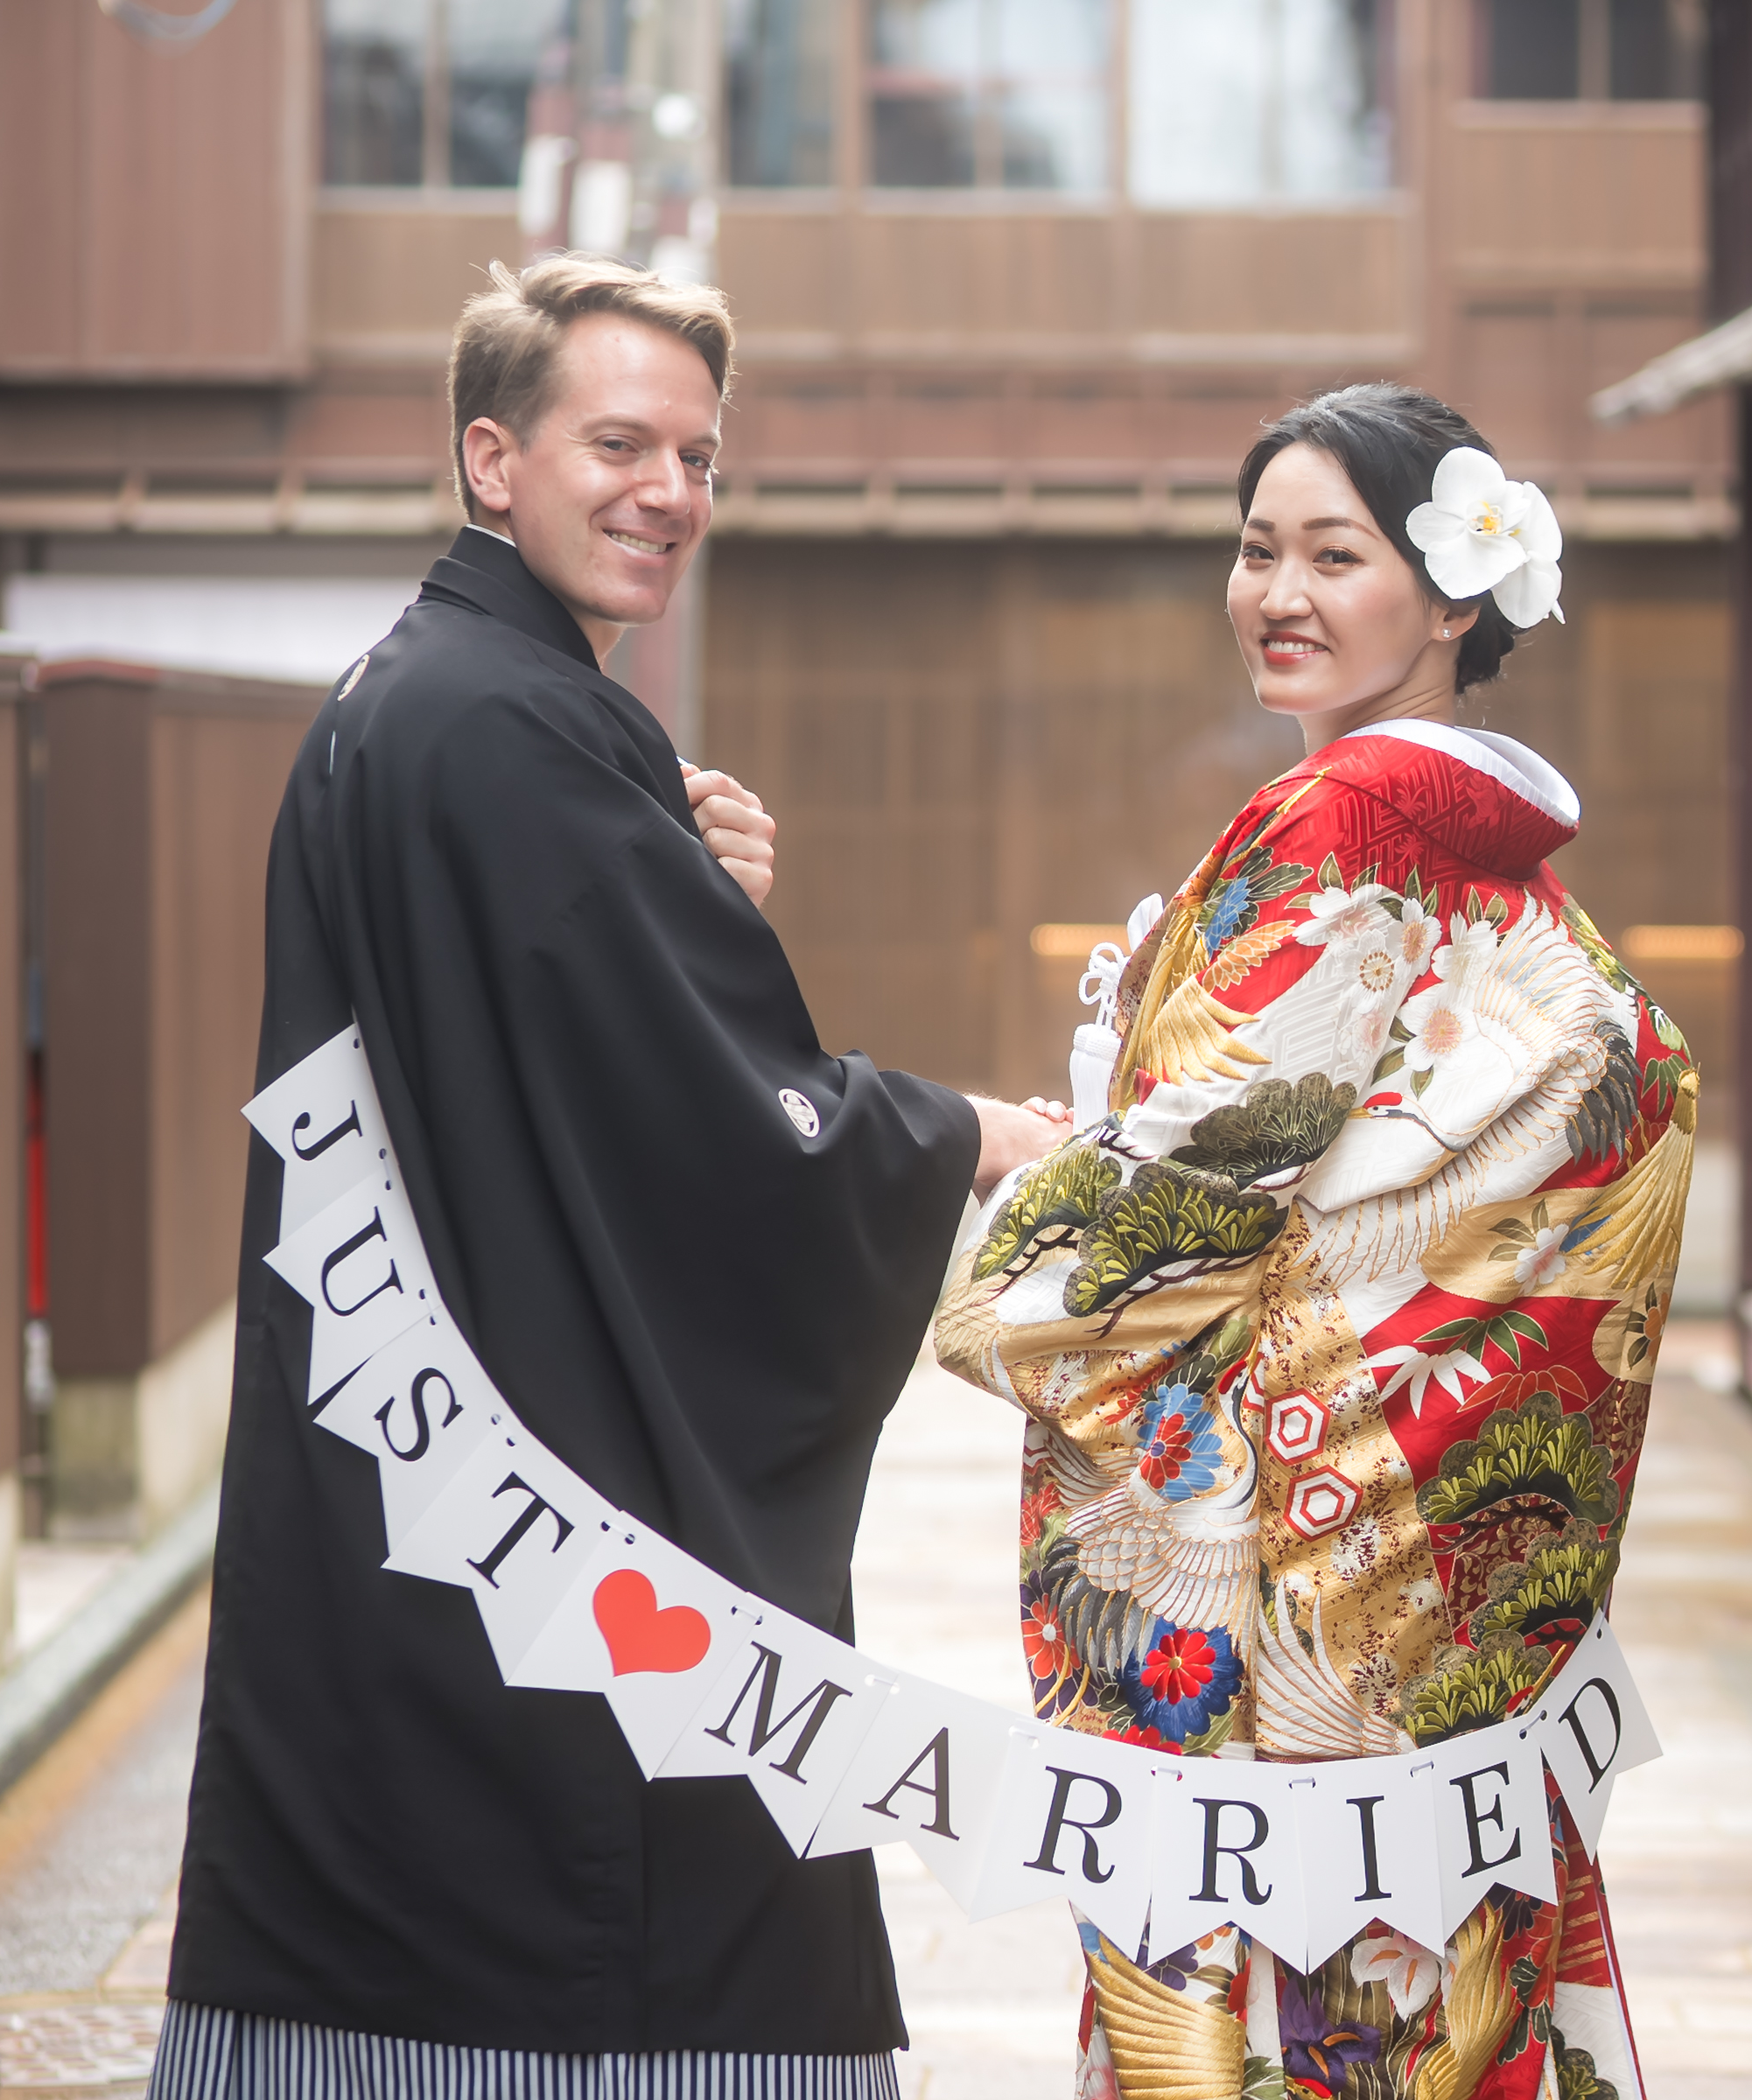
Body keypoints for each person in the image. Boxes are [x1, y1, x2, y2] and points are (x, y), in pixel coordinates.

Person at [153, 253, 1066, 2099]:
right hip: (538, 1469)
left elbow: (552, 1045)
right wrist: (966, 1136)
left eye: (701, 459)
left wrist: (676, 887)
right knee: (623, 1869)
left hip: (418, 1443)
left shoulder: (436, 697)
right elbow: (707, 1129)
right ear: (494, 460)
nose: (669, 495)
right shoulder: (509, 722)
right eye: (621, 444)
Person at [936, 383, 1695, 2099]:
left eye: (1333, 554)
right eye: (1257, 547)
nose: (1276, 588)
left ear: (1450, 597)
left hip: (1296, 1634)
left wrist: (973, 1178)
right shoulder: (1501, 862)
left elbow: (1182, 1208)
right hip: (1440, 1600)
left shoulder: (1340, 828)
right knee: (1435, 2012)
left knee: (1285, 2019)